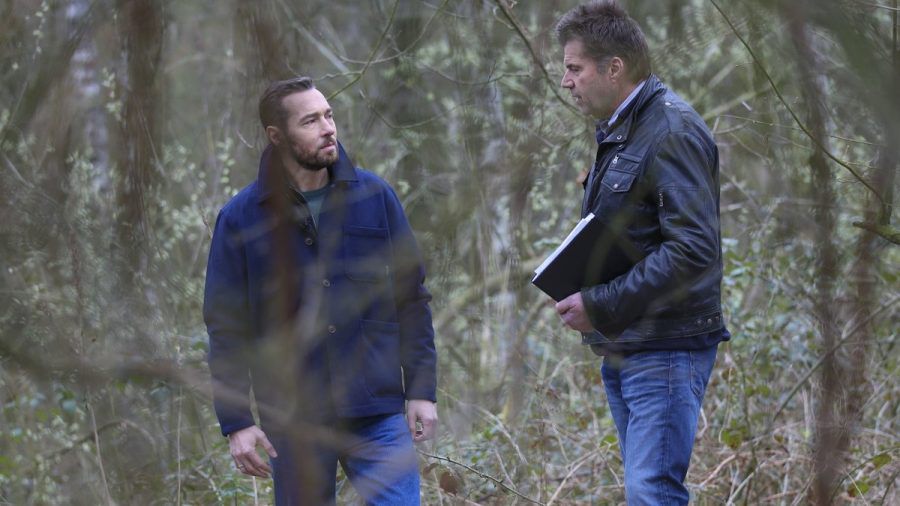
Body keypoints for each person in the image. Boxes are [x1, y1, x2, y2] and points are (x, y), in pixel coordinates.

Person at [203, 76, 437, 505]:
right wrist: (237, 421)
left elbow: (412, 299)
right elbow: (226, 328)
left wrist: (421, 389)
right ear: (278, 136)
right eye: (310, 121)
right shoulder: (240, 220)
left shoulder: (375, 197)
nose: (328, 128)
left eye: (328, 115)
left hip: (377, 410)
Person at [552, 2, 730, 504]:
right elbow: (635, 236)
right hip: (630, 344)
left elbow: (693, 249)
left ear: (615, 68)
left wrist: (601, 304)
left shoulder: (671, 130)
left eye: (574, 68)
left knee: (651, 492)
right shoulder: (621, 129)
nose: (566, 81)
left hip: (667, 347)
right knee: (646, 492)